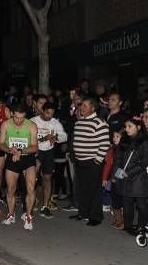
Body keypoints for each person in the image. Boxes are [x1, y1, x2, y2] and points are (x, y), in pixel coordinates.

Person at [70, 97, 110, 226]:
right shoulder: (79, 122)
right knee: (82, 189)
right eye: (81, 105)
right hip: (80, 162)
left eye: (85, 106)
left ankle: (95, 217)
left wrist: (97, 161)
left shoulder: (100, 123)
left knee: (94, 190)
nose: (82, 108)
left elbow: (105, 144)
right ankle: (83, 212)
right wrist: (75, 157)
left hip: (93, 163)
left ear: (93, 108)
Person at [0, 103, 39, 230]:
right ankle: (11, 214)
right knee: (11, 189)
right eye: (16, 117)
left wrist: (21, 151)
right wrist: (10, 150)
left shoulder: (31, 125)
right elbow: (0, 144)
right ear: (12, 114)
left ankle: (28, 216)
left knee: (31, 188)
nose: (19, 120)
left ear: (25, 116)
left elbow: (35, 147)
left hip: (27, 159)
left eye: (22, 118)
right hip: (12, 158)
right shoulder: (6, 124)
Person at [31, 102, 67, 218]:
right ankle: (30, 203)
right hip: (35, 151)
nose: (49, 116)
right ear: (42, 110)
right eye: (47, 113)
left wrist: (55, 137)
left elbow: (64, 136)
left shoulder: (55, 122)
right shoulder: (33, 121)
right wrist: (44, 138)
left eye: (52, 114)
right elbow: (27, 138)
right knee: (32, 178)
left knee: (48, 178)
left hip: (48, 152)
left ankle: (45, 206)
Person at [115, 117, 148, 235]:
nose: (127, 129)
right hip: (124, 177)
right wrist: (117, 172)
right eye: (126, 126)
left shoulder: (144, 142)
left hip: (138, 178)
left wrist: (130, 172)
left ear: (138, 127)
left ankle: (141, 227)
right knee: (127, 202)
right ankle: (128, 226)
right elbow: (118, 158)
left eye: (130, 126)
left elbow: (144, 162)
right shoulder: (125, 140)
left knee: (141, 204)